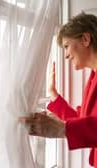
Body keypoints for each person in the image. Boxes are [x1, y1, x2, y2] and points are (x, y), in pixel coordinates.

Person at [19, 12, 97, 167]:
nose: (66, 56)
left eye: (67, 46)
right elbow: (83, 120)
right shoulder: (93, 78)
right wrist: (53, 96)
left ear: (85, 39)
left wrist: (63, 129)